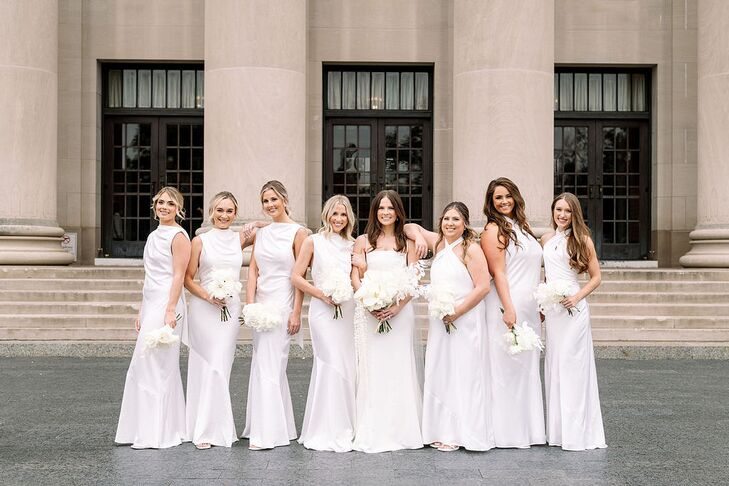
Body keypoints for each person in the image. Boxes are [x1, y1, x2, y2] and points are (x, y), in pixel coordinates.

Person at [406, 202, 493, 452]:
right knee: (441, 371)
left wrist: (457, 312)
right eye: (446, 219)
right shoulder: (438, 243)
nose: (450, 224)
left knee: (464, 372)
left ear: (465, 223)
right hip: (440, 319)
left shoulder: (471, 249)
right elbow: (409, 227)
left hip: (464, 318)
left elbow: (483, 287)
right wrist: (420, 237)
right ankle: (441, 429)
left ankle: (464, 433)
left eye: (455, 219)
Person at [183, 191, 260, 449]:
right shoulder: (200, 241)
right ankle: (202, 429)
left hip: (230, 309)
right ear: (211, 212)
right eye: (219, 210)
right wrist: (208, 295)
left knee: (220, 367)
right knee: (206, 366)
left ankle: (216, 428)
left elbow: (280, 228)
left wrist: (256, 224)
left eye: (229, 211)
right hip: (204, 309)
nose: (224, 215)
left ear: (235, 214)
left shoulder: (240, 238)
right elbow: (187, 278)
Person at [115, 186, 191, 449]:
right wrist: (141, 309)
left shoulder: (180, 237)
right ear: (154, 206)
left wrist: (170, 309)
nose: (164, 207)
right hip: (152, 302)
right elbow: (149, 276)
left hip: (168, 303)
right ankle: (145, 428)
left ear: (178, 209)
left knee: (156, 364)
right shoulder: (153, 235)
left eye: (170, 204)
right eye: (160, 203)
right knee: (143, 365)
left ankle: (159, 432)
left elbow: (178, 276)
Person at [350, 190, 424, 453]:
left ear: (398, 212)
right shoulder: (362, 241)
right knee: (374, 366)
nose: (385, 212)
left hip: (400, 314)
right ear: (374, 211)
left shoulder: (408, 242)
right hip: (370, 313)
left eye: (390, 208)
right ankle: (373, 426)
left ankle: (401, 429)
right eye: (381, 208)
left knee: (398, 364)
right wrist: (368, 302)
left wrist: (395, 307)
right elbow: (355, 277)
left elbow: (414, 280)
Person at [242, 180, 308, 450]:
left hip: (283, 305)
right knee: (264, 365)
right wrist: (250, 306)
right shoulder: (261, 233)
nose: (270, 205)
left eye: (273, 199)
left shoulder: (300, 233)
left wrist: (296, 313)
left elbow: (300, 275)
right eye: (265, 201)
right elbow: (253, 272)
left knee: (271, 365)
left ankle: (267, 434)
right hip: (261, 305)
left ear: (284, 199)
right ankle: (282, 426)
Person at [481, 177, 545, 448]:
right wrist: (509, 308)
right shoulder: (493, 230)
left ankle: (529, 430)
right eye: (498, 198)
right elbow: (498, 273)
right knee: (507, 367)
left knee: (527, 368)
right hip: (508, 304)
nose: (504, 201)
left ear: (516, 197)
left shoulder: (523, 229)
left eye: (508, 196)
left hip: (530, 307)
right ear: (491, 203)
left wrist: (540, 302)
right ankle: (507, 432)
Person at [291, 195, 359, 452]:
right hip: (322, 310)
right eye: (334, 214)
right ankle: (324, 428)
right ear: (326, 215)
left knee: (346, 365)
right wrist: (321, 294)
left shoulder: (353, 245)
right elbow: (296, 277)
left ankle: (345, 425)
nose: (338, 219)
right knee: (329, 363)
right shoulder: (313, 241)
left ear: (349, 217)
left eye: (343, 214)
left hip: (348, 309)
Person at [541, 192, 607, 451]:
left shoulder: (583, 240)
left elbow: (596, 277)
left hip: (574, 310)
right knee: (555, 366)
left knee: (573, 368)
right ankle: (558, 432)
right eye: (558, 210)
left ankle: (579, 432)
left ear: (574, 214)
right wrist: (543, 304)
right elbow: (546, 275)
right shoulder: (546, 238)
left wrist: (577, 297)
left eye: (568, 211)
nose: (562, 215)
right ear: (553, 211)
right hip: (554, 311)